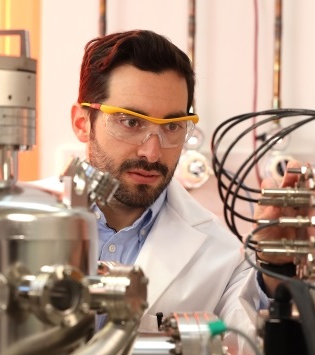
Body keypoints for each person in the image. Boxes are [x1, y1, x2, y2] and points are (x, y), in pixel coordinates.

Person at [69, 29, 269, 352]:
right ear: (82, 122)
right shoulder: (11, 223)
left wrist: (277, 270)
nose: (151, 152)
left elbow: (250, 343)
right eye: (131, 122)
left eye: (172, 127)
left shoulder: (223, 255)